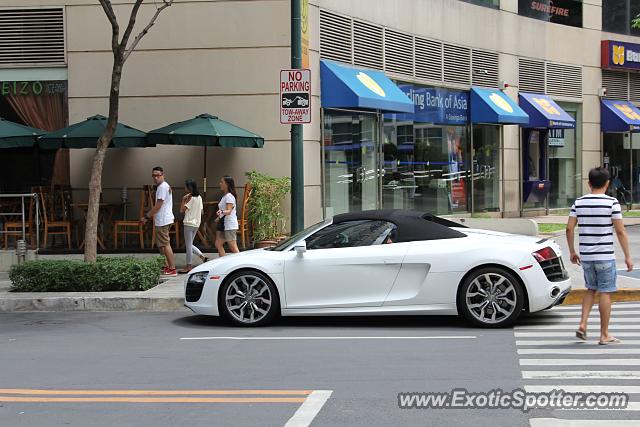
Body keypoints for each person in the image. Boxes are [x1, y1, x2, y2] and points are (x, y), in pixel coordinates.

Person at [567, 167, 633, 345]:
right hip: (605, 256)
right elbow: (620, 231)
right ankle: (604, 334)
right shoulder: (612, 203)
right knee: (605, 292)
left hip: (587, 257)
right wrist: (627, 256)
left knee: (590, 289)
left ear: (588, 183)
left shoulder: (578, 203)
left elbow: (569, 228)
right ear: (608, 183)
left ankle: (582, 323)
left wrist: (572, 251)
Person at [142, 166, 177, 277]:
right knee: (162, 245)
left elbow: (158, 206)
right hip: (163, 219)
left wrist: (146, 216)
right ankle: (166, 266)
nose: (156, 177)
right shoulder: (164, 186)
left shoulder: (162, 187)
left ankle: (172, 269)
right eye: (154, 175)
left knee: (165, 244)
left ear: (163, 175)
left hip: (163, 220)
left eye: (158, 175)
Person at [179, 179, 208, 274]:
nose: (184, 188)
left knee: (188, 246)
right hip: (196, 224)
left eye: (186, 186)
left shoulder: (190, 198)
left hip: (188, 223)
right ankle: (202, 257)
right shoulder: (199, 197)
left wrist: (183, 200)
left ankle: (189, 266)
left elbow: (181, 210)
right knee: (189, 244)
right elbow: (202, 211)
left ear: (189, 188)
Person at [215, 175, 240, 257]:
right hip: (226, 225)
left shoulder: (229, 196)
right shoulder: (226, 196)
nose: (220, 183)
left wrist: (221, 211)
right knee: (218, 244)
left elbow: (229, 211)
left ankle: (243, 264)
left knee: (233, 247)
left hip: (230, 225)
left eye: (222, 182)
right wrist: (219, 217)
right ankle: (222, 263)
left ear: (227, 184)